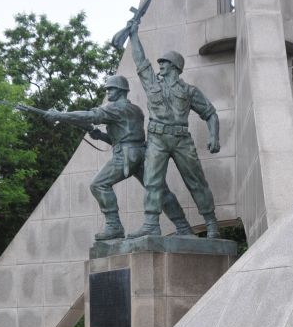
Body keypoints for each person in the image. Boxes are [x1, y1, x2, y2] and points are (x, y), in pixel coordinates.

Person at [17, 75, 194, 240]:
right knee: (160, 191)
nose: (108, 92)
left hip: (126, 156)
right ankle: (183, 227)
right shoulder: (135, 109)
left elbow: (91, 115)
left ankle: (114, 226)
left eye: (111, 89)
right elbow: (125, 137)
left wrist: (59, 115)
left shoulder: (116, 108)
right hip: (141, 154)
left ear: (121, 90)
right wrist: (101, 136)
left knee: (98, 184)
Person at [126, 22, 221, 239]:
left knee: (196, 181)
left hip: (181, 139)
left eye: (164, 63)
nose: (160, 65)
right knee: (152, 181)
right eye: (160, 63)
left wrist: (214, 136)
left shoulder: (189, 91)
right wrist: (134, 36)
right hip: (157, 139)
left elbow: (210, 113)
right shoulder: (152, 83)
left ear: (175, 66)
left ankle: (211, 223)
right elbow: (141, 61)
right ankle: (151, 224)